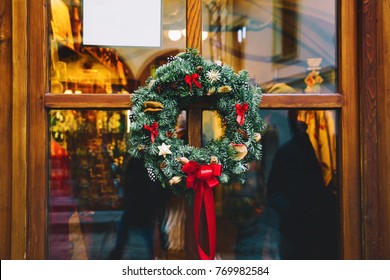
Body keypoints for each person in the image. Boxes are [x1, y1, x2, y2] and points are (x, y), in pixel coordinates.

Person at [266, 110, 338, 259]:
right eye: (296, 121)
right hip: (294, 231)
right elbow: (273, 190)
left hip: (326, 228)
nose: (300, 125)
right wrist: (289, 209)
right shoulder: (285, 152)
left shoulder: (330, 149)